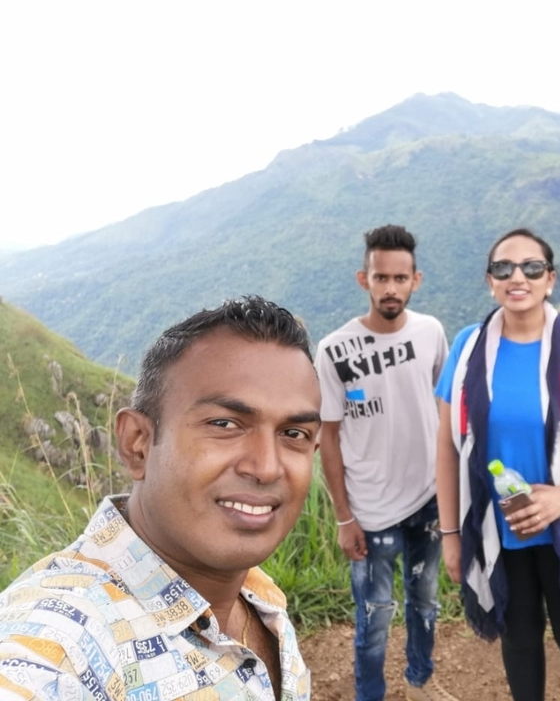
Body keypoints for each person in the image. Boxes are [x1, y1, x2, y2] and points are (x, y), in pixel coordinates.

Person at [0, 295, 322, 700]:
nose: (267, 467)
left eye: (294, 433)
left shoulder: (262, 601)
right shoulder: (58, 646)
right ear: (137, 444)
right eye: (224, 424)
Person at [435, 228, 560, 701]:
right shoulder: (467, 350)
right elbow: (447, 448)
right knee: (520, 636)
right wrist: (450, 535)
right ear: (491, 282)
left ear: (550, 279)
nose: (517, 277)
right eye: (504, 268)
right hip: (501, 527)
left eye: (532, 267)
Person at [316, 225, 454, 701]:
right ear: (364, 279)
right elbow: (327, 437)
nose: (390, 288)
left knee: (425, 600)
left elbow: (448, 409)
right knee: (374, 616)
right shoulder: (335, 349)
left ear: (416, 279)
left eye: (400, 278)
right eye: (381, 278)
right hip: (371, 510)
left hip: (430, 499)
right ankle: (369, 695)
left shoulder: (431, 332)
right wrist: (343, 516)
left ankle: (419, 681)